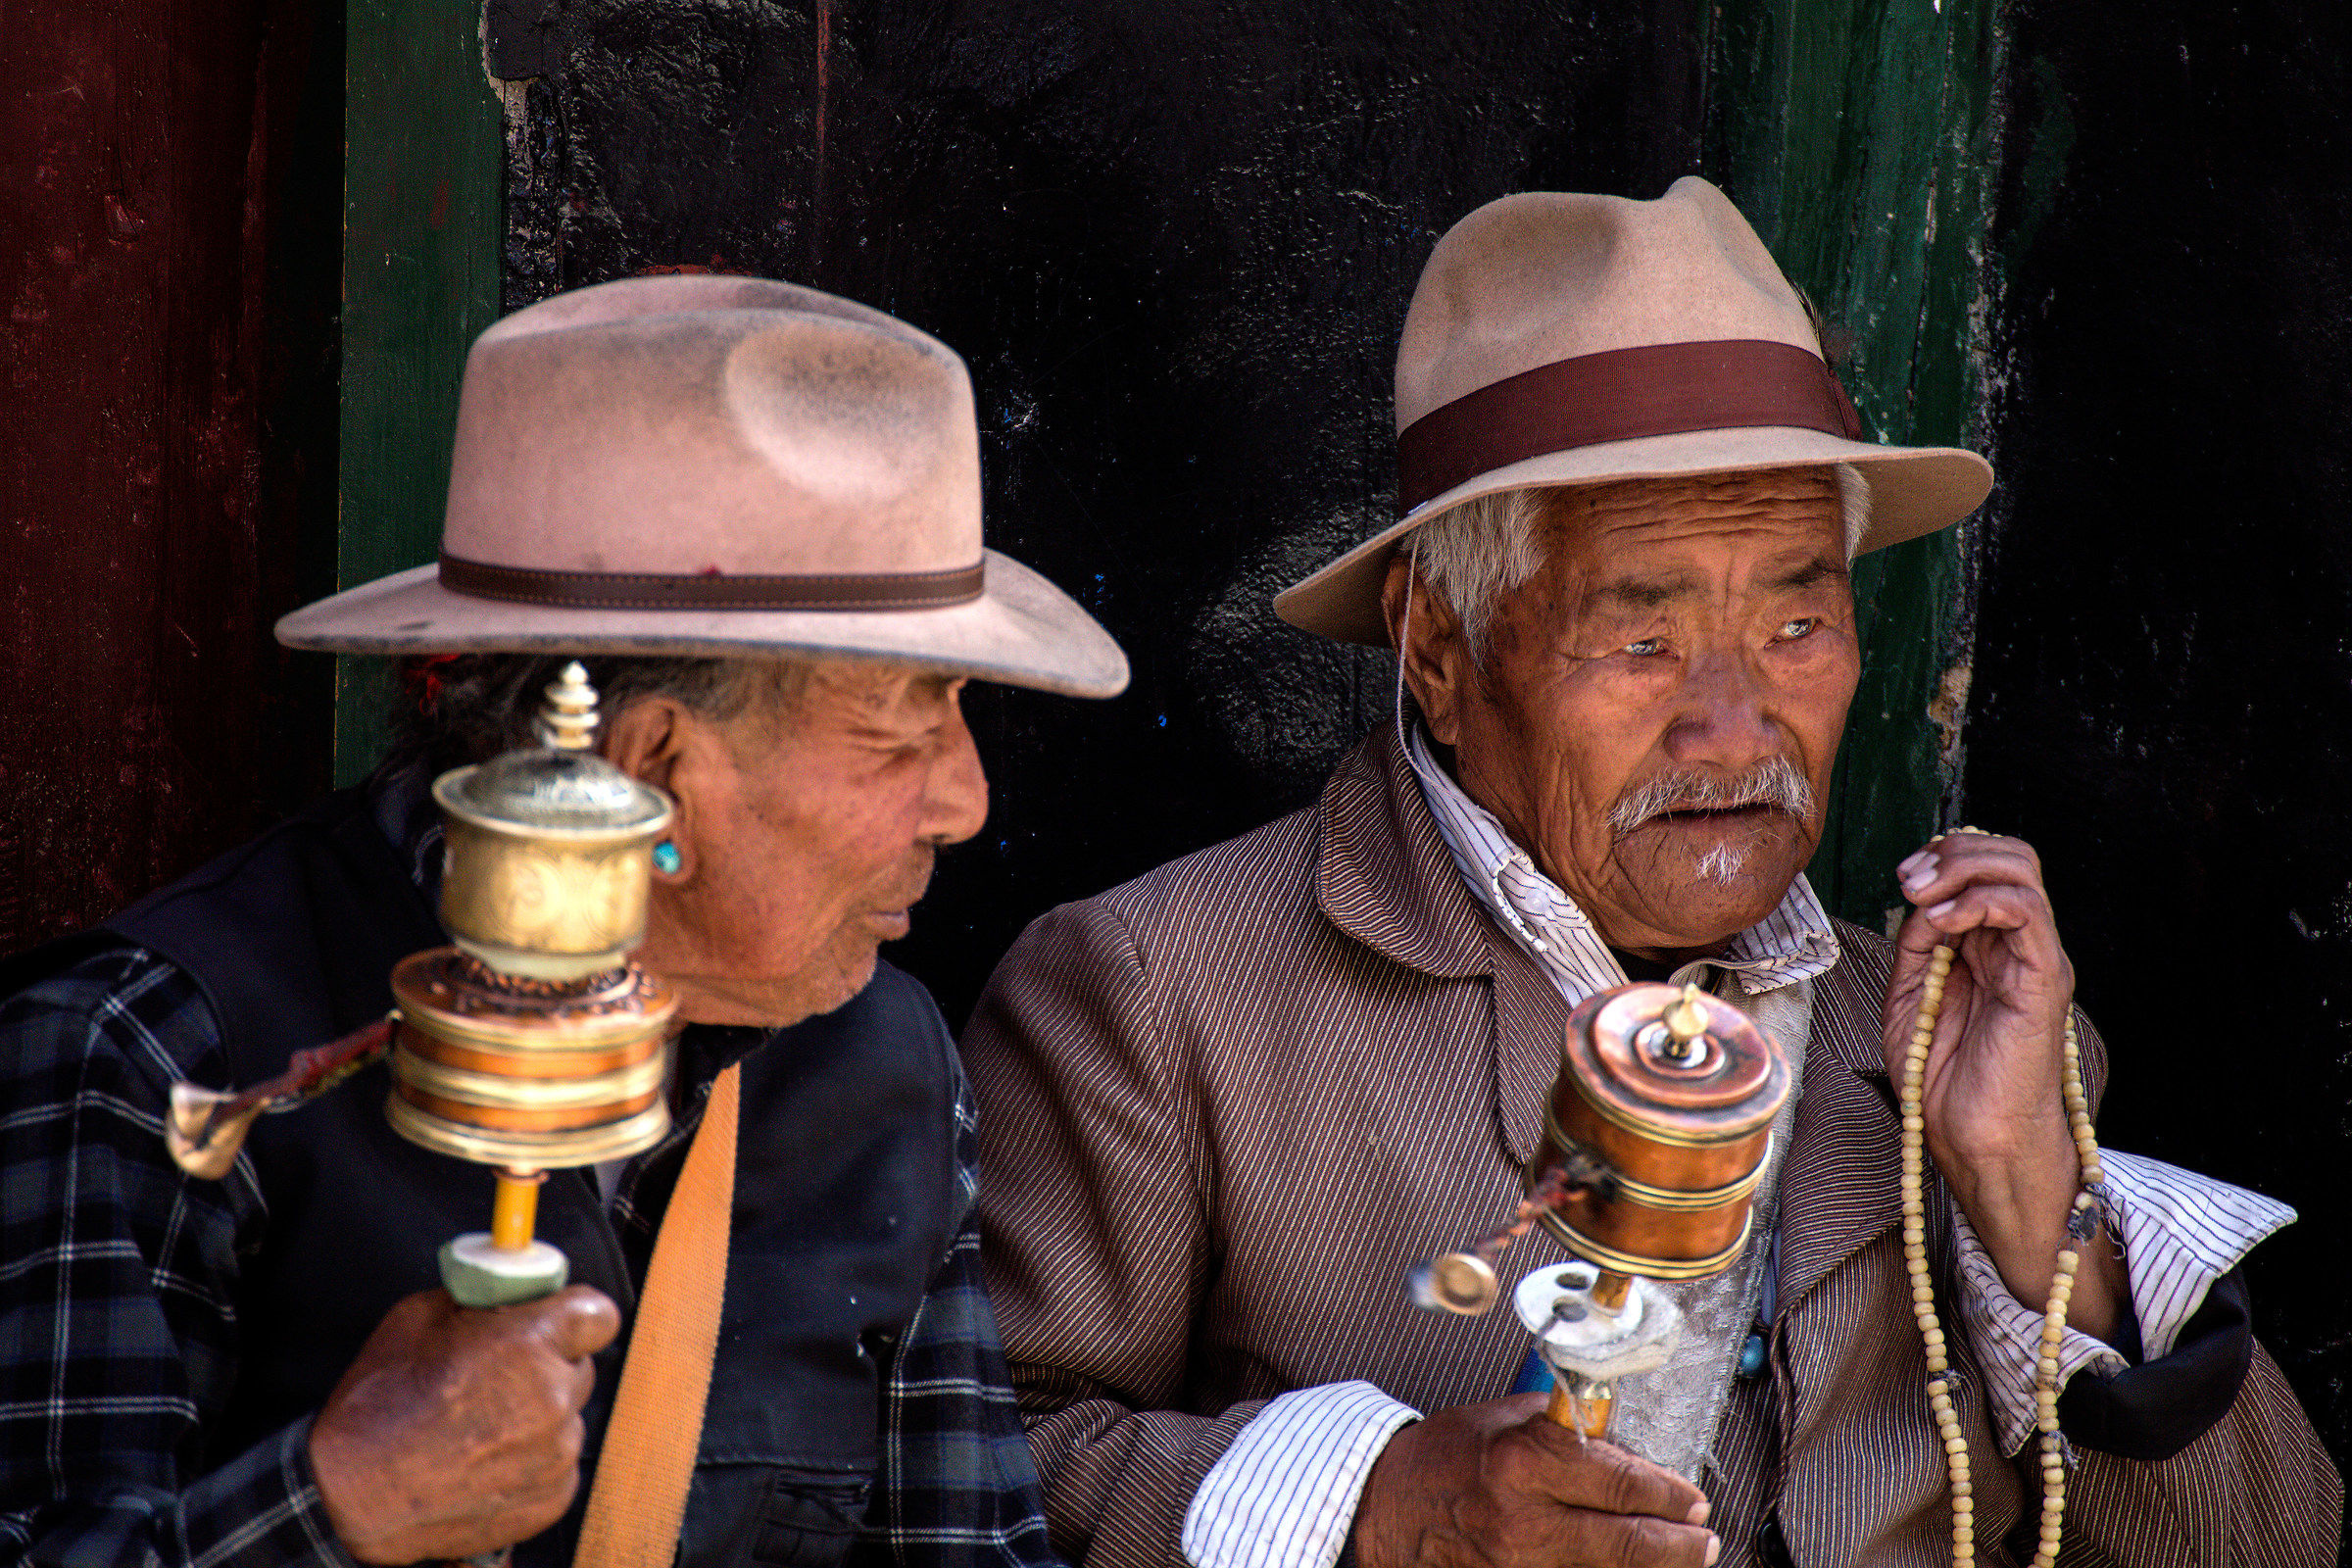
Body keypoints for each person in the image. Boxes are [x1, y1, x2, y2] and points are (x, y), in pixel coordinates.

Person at [960, 180, 2341, 1568]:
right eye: (1642, 641)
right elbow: (973, 1473)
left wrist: (2034, 1201)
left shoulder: (1949, 1038)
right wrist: (1378, 1506)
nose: (1735, 728)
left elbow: (2278, 1545)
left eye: (1797, 624)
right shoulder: (1163, 996)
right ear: (1438, 649)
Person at [0, 275, 1128, 1568]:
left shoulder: (884, 1066)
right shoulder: (156, 1055)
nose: (967, 801)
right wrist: (336, 1503)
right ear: (652, 766)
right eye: (904, 730)